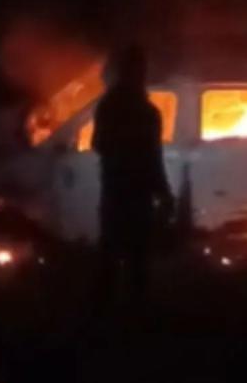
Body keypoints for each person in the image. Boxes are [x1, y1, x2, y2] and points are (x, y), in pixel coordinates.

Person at [92, 45, 174, 309]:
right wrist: (164, 194)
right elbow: (153, 158)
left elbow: (98, 144)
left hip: (116, 191)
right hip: (137, 194)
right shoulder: (147, 113)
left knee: (112, 257)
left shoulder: (108, 106)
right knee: (136, 260)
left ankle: (106, 313)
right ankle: (132, 312)